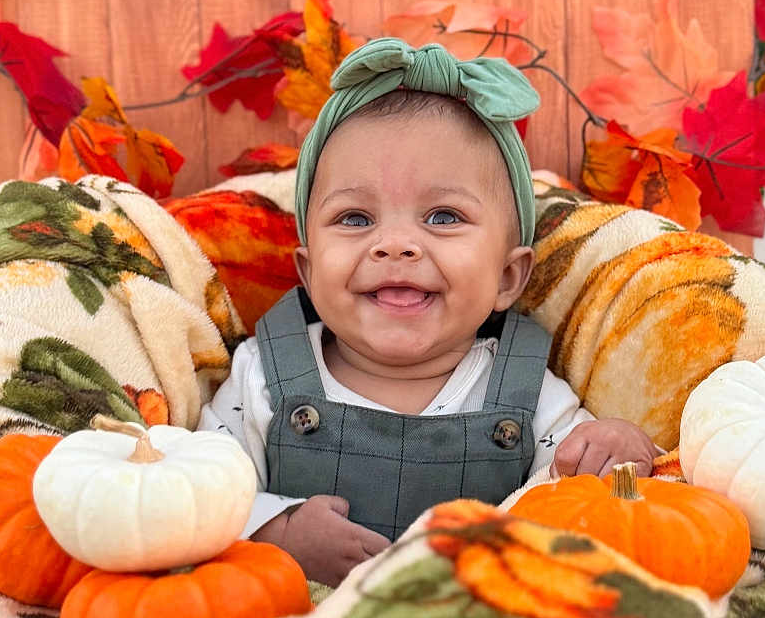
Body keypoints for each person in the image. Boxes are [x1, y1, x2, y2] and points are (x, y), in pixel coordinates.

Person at [198, 37, 656, 587]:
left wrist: (612, 444)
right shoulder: (261, 378)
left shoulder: (529, 394)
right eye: (355, 218)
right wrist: (275, 530)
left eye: (442, 217)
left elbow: (574, 498)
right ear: (309, 272)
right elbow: (201, 489)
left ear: (507, 277)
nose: (395, 244)